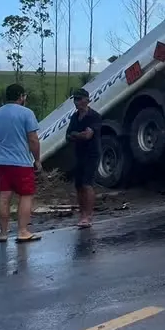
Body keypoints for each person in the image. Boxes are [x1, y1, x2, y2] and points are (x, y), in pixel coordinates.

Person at [0, 83, 42, 243]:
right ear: (21, 96)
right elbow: (33, 139)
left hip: (2, 162)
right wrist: (37, 159)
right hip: (22, 162)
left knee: (4, 196)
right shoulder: (27, 113)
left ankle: (3, 233)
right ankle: (22, 231)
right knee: (26, 196)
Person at [66, 88, 101, 228]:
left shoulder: (94, 116)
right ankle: (82, 213)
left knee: (87, 183)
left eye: (79, 99)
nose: (77, 102)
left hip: (92, 154)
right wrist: (78, 135)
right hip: (79, 153)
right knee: (79, 185)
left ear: (87, 100)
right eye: (75, 99)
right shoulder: (74, 117)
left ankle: (88, 215)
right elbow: (68, 136)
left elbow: (88, 136)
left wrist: (77, 135)